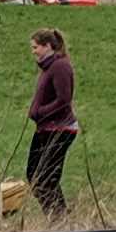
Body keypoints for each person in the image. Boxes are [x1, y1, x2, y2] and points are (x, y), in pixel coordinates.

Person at [24, 29, 77, 213]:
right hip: (45, 128)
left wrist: (40, 112)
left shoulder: (60, 66)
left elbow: (64, 99)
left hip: (60, 129)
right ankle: (56, 216)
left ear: (47, 46)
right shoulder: (48, 68)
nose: (33, 51)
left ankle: (59, 218)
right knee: (34, 174)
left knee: (46, 177)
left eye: (35, 47)